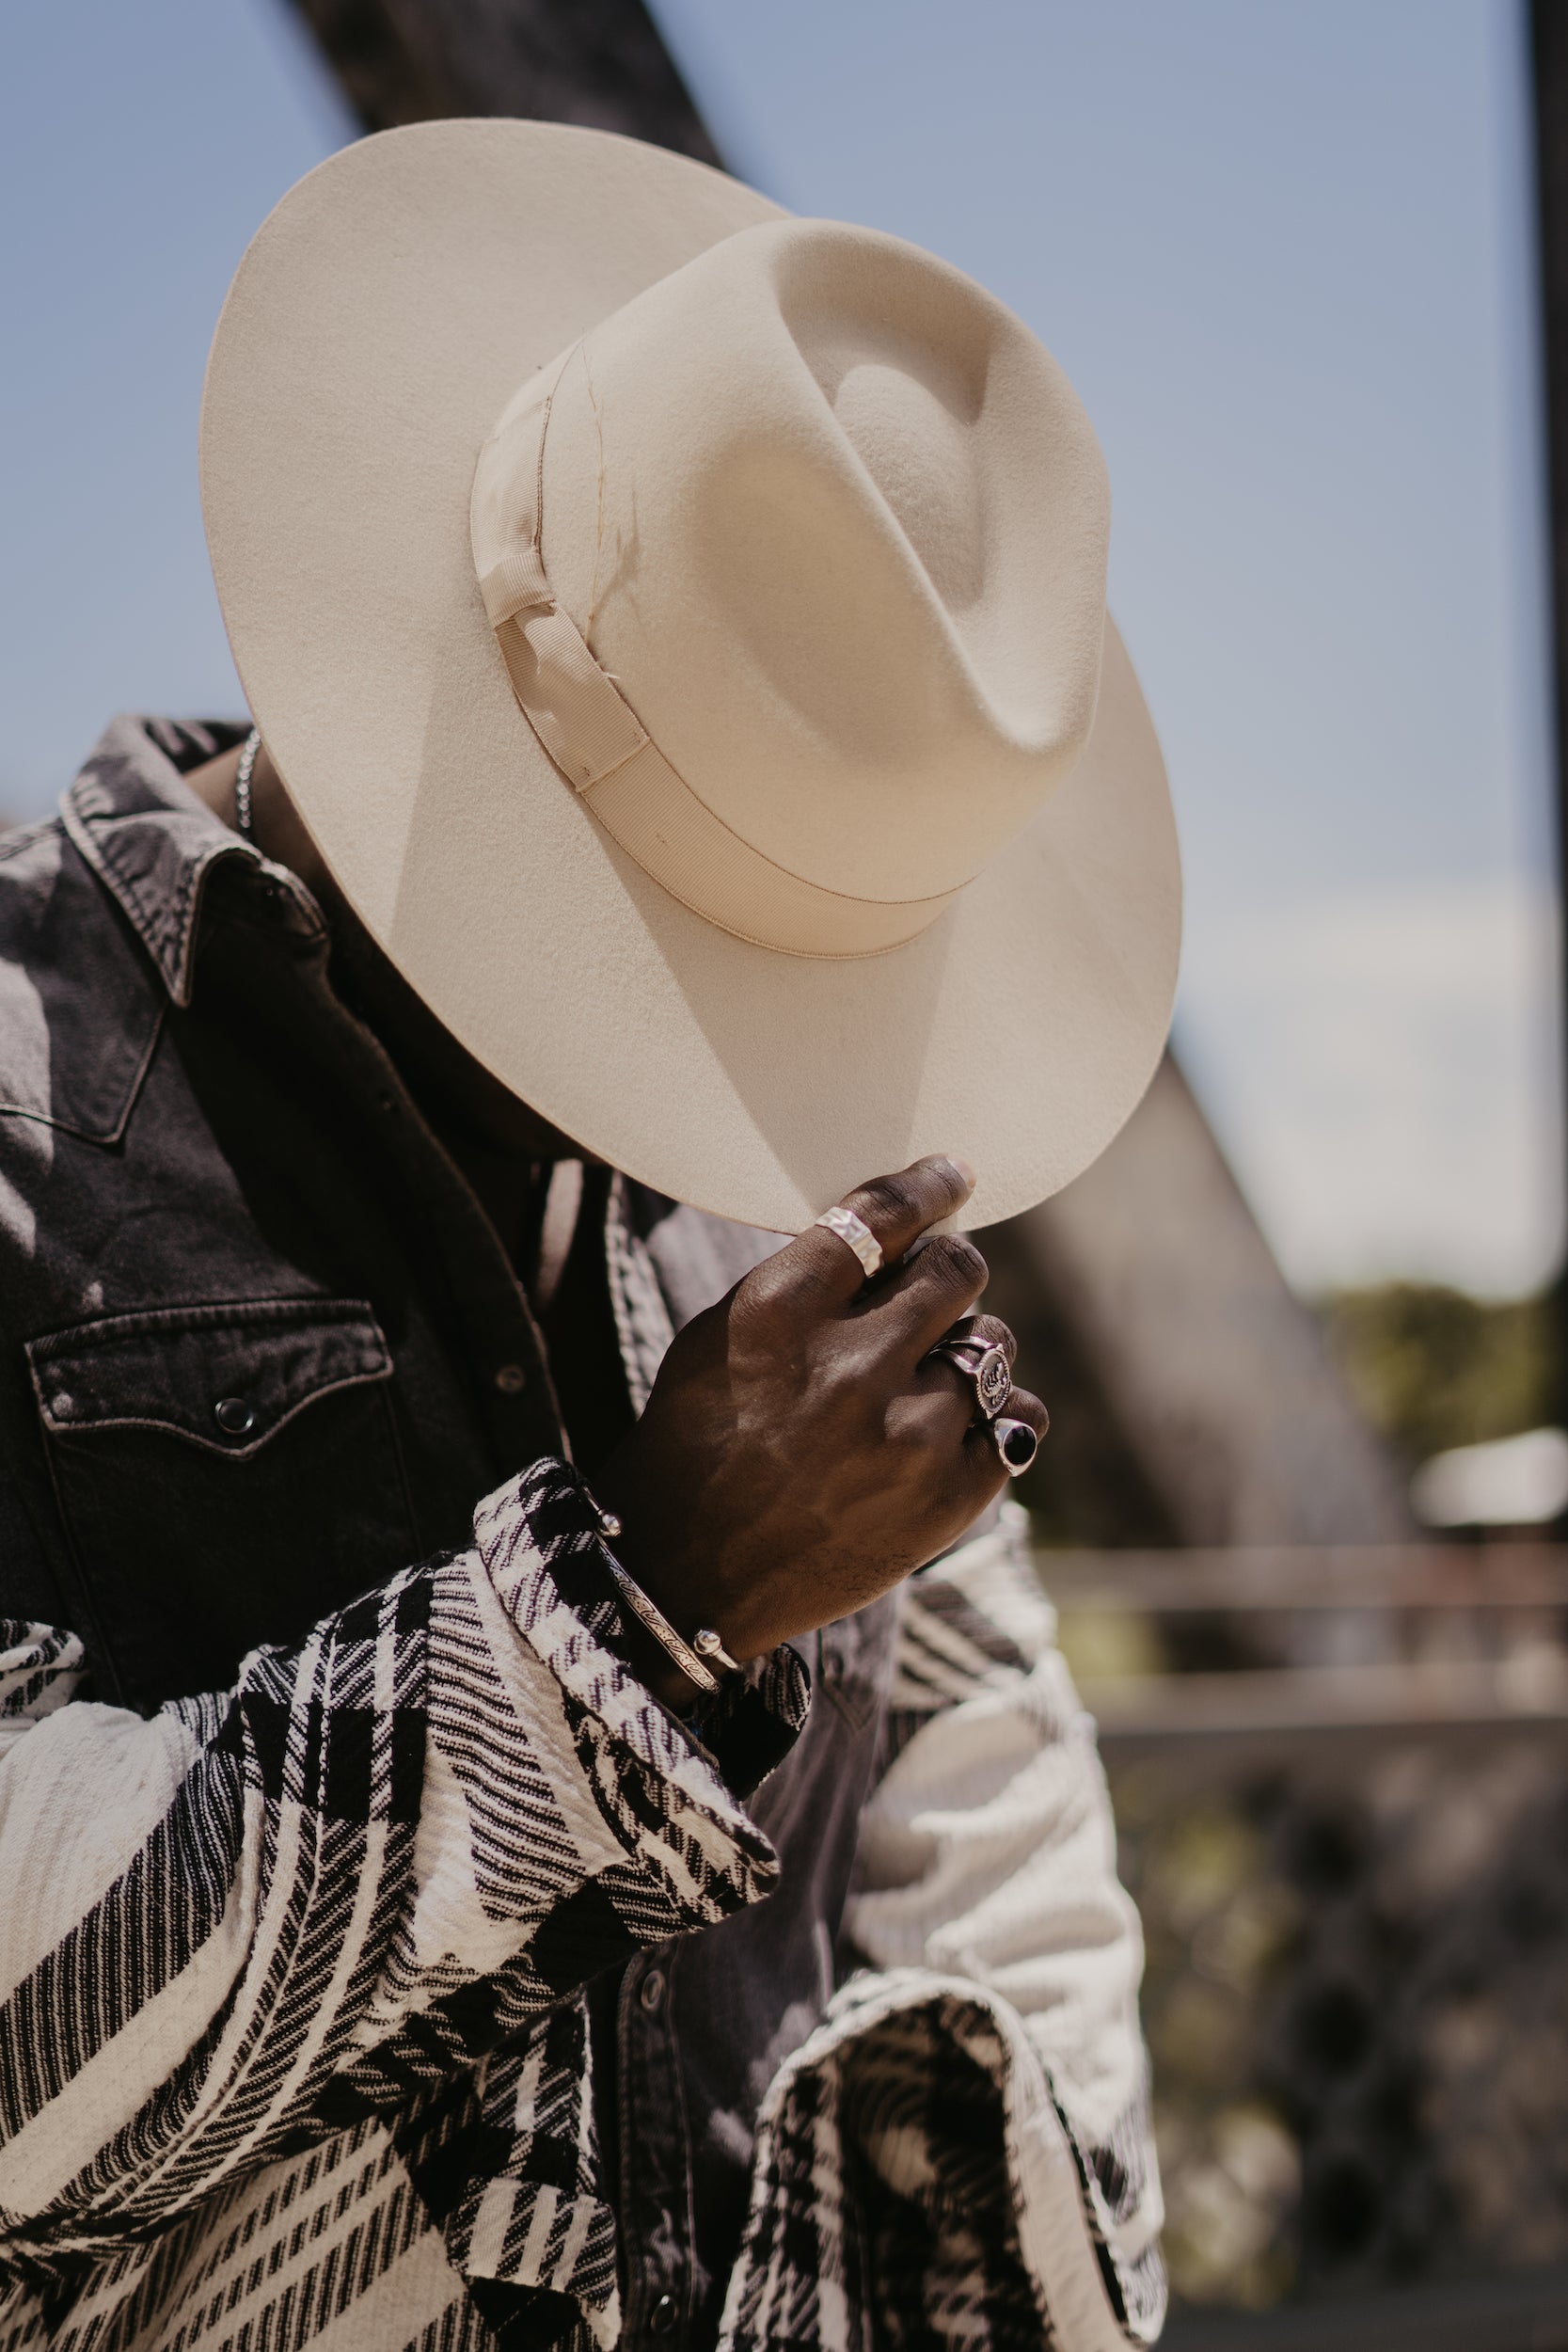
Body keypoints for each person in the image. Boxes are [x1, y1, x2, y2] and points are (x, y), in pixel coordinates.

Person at [0, 119, 1180, 2352]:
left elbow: (992, 1792)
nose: (734, 1047)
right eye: (707, 929)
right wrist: (632, 1614)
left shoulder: (786, 1151)